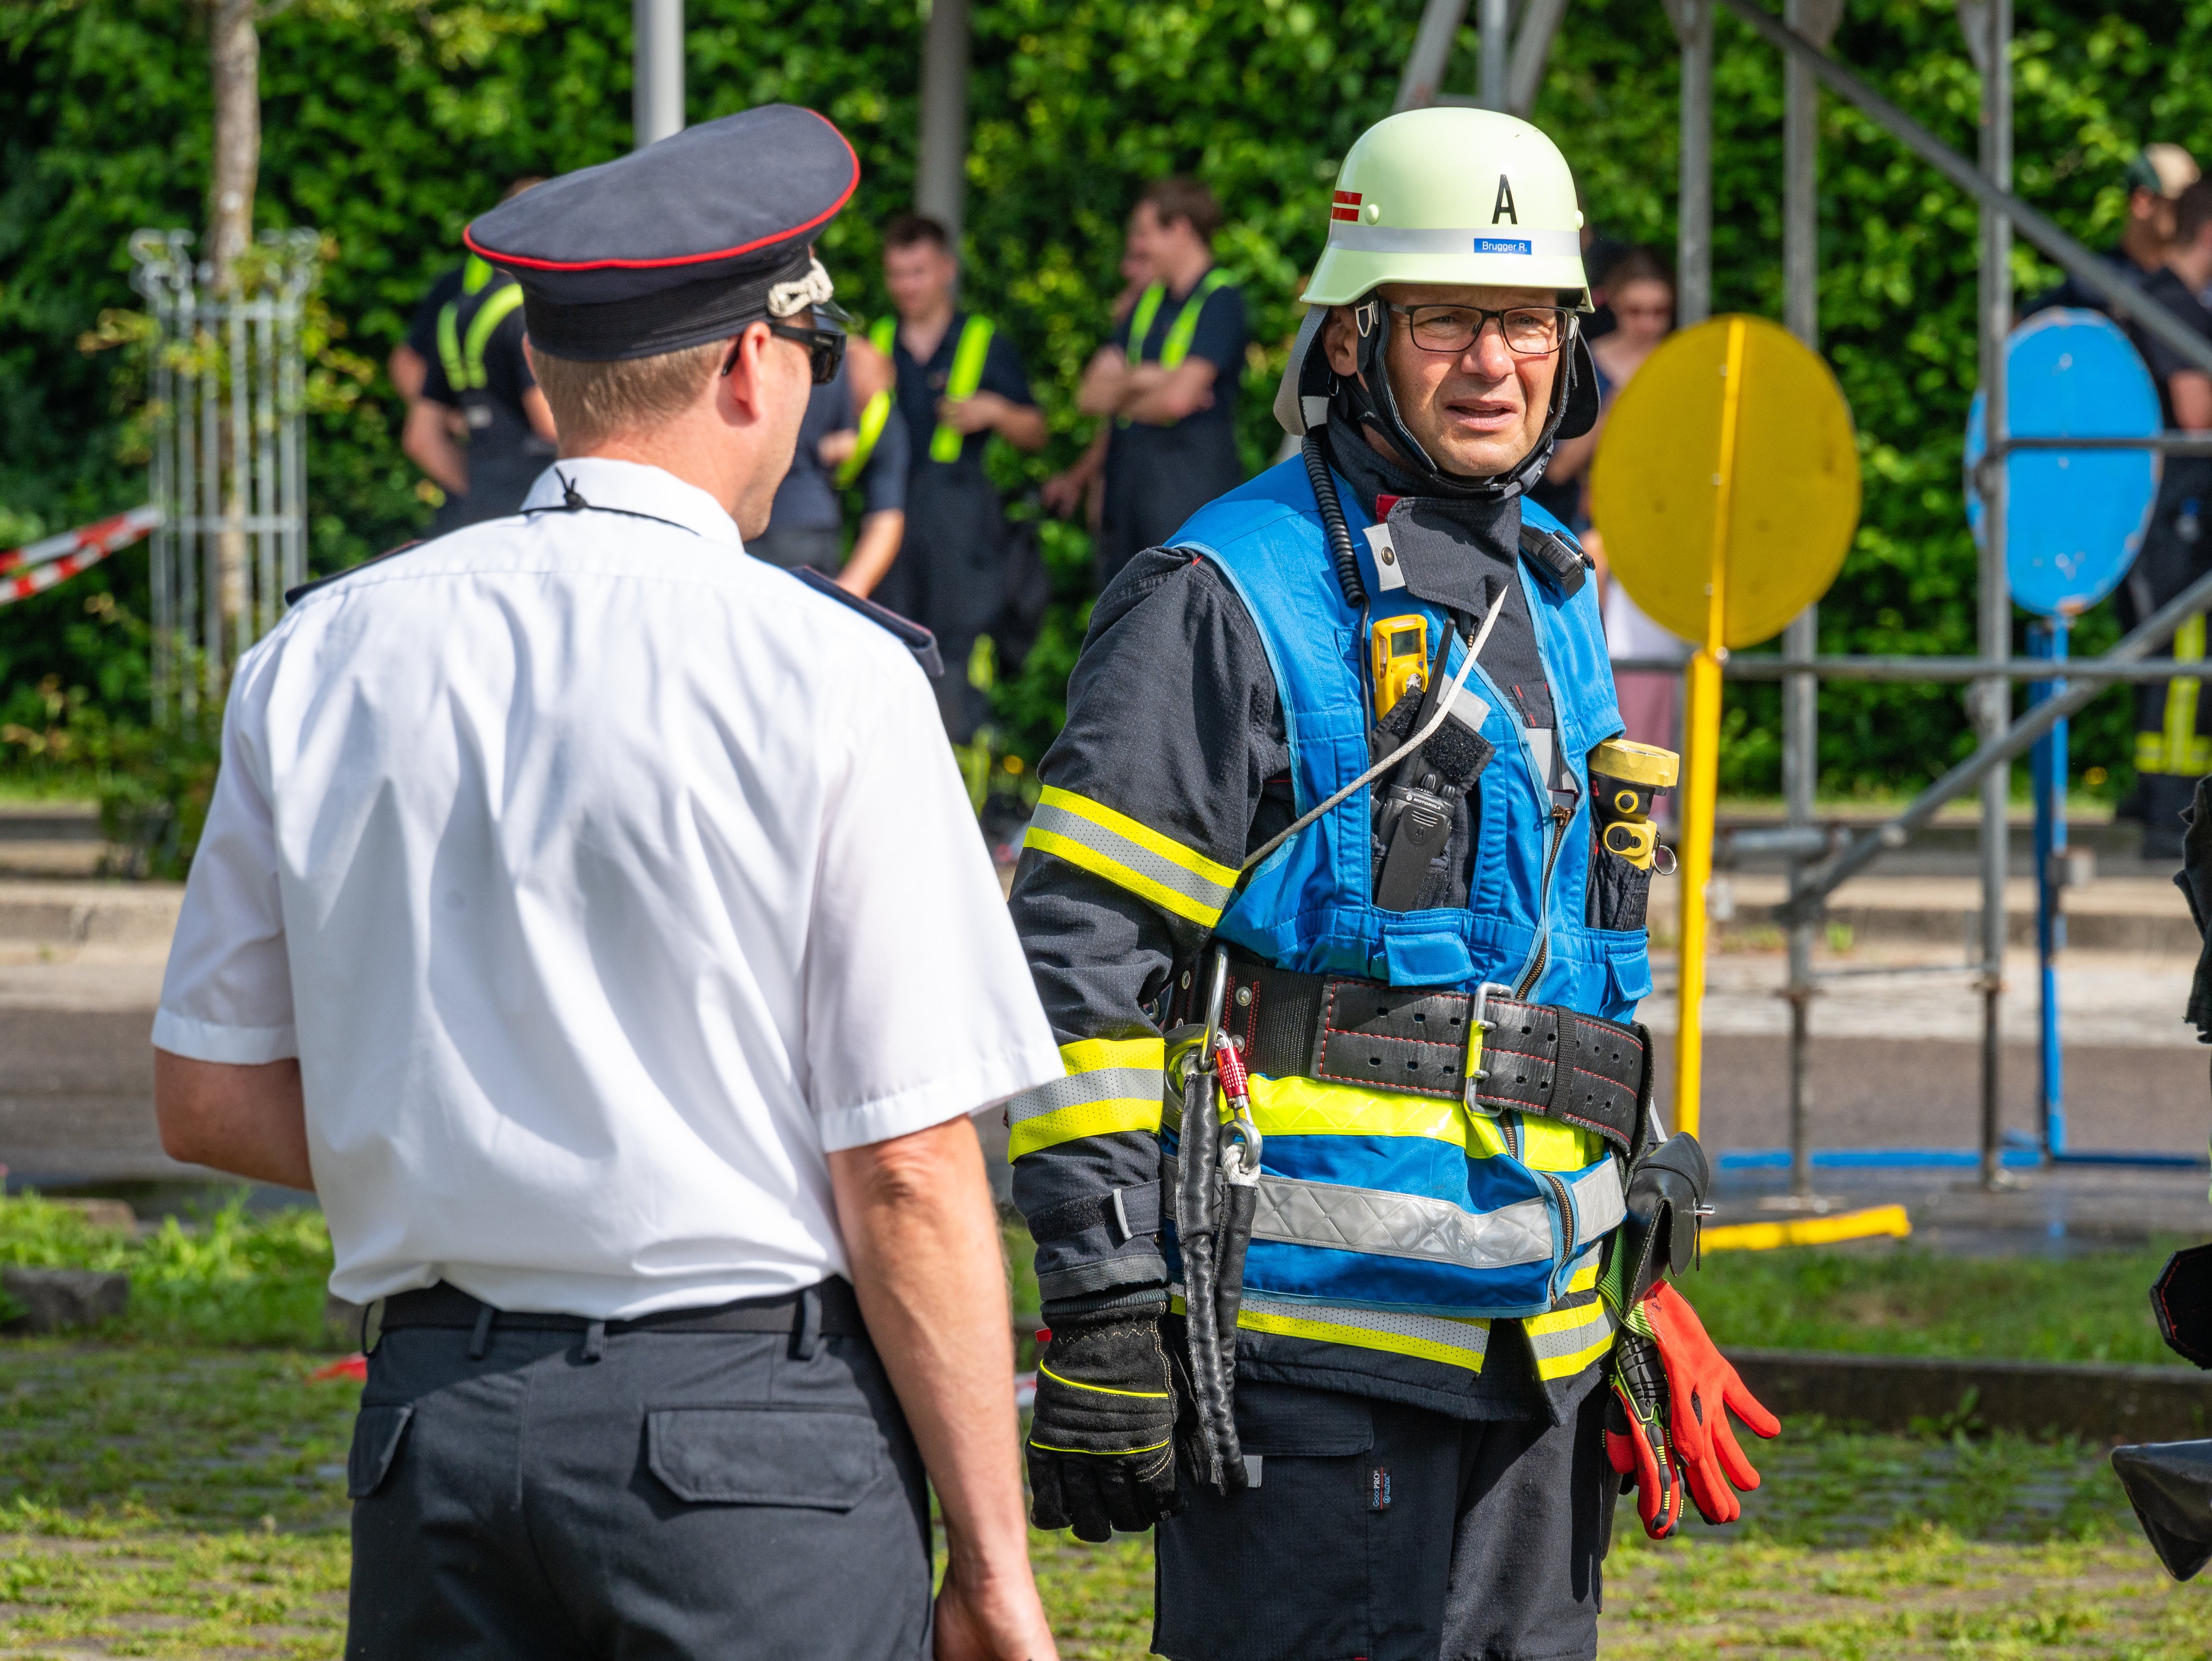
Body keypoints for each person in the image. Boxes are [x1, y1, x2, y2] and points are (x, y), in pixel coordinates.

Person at [149, 104, 1063, 1661]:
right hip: (747, 1446)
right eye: (812, 356)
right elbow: (907, 1167)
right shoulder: (827, 672)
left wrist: (474, 1151)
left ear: (543, 382)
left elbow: (209, 1096)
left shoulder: (322, 650)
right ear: (747, 367)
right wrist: (993, 1565)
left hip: (435, 1426)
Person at [1005, 106, 1776, 1661]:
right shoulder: (1222, 597)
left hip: (1536, 1353)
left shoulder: (1550, 590)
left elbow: (1560, 951)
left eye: (1525, 320)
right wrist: (1099, 1289)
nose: (1492, 362)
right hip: (1312, 1349)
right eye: (1445, 319)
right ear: (1352, 339)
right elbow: (1076, 954)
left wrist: (1630, 1228)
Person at [871, 214, 1047, 743]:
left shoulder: (983, 340)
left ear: (947, 270)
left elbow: (1037, 432)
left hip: (962, 519)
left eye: (918, 272)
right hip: (890, 513)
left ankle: (969, 798)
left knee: (957, 660)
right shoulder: (875, 343)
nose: (907, 286)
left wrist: (995, 410)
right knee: (888, 644)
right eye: (897, 274)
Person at [1553, 247, 1691, 756]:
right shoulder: (1590, 362)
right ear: (1616, 308)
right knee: (1596, 651)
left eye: (1659, 312)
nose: (1648, 325)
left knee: (1660, 668)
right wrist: (1617, 411)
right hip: (1600, 520)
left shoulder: (1682, 363)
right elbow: (1561, 466)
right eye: (1636, 312)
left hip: (1666, 527)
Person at [1080, 178, 1250, 590]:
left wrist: (1128, 388)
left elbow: (1176, 400)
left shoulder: (1219, 299)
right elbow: (1088, 395)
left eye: (1145, 234)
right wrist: (1148, 379)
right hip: (1128, 499)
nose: (1138, 248)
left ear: (1180, 229)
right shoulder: (1146, 301)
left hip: (1186, 499)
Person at [2122, 177, 2212, 859]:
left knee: (2176, 657)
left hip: (2176, 506)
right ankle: (2169, 809)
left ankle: (2163, 798)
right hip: (2172, 508)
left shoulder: (2166, 299)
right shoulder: (2168, 303)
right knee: (2181, 657)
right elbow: (2195, 413)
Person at [392, 178, 547, 532]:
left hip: (479, 503)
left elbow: (421, 438)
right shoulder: (525, 309)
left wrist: (484, 496)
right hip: (536, 505)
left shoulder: (458, 305)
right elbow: (550, 423)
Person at [749, 331, 909, 592]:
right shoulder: (879, 415)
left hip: (754, 529)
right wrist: (852, 589)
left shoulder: (776, 356)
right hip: (815, 533)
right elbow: (887, 514)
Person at [2028, 144, 2199, 316]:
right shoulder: (2094, 285)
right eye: (2182, 204)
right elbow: (2022, 327)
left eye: (2196, 205)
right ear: (2142, 202)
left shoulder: (2202, 284)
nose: (2193, 214)